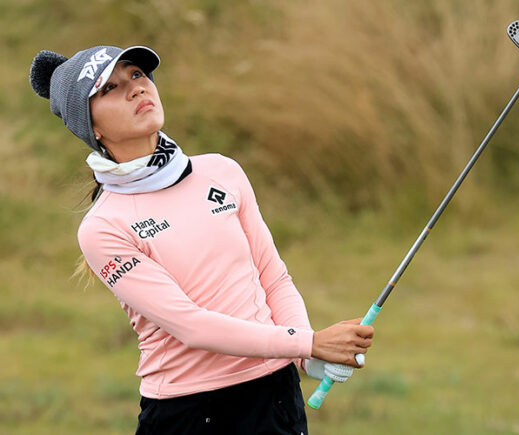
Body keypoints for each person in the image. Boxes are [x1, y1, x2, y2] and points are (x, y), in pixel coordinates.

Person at [29, 45, 373, 434]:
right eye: (109, 88)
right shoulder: (103, 226)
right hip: (190, 413)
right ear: (92, 127)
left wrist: (305, 357)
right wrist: (308, 343)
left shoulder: (222, 172)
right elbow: (191, 325)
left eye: (137, 75)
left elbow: (273, 277)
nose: (136, 89)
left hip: (276, 396)